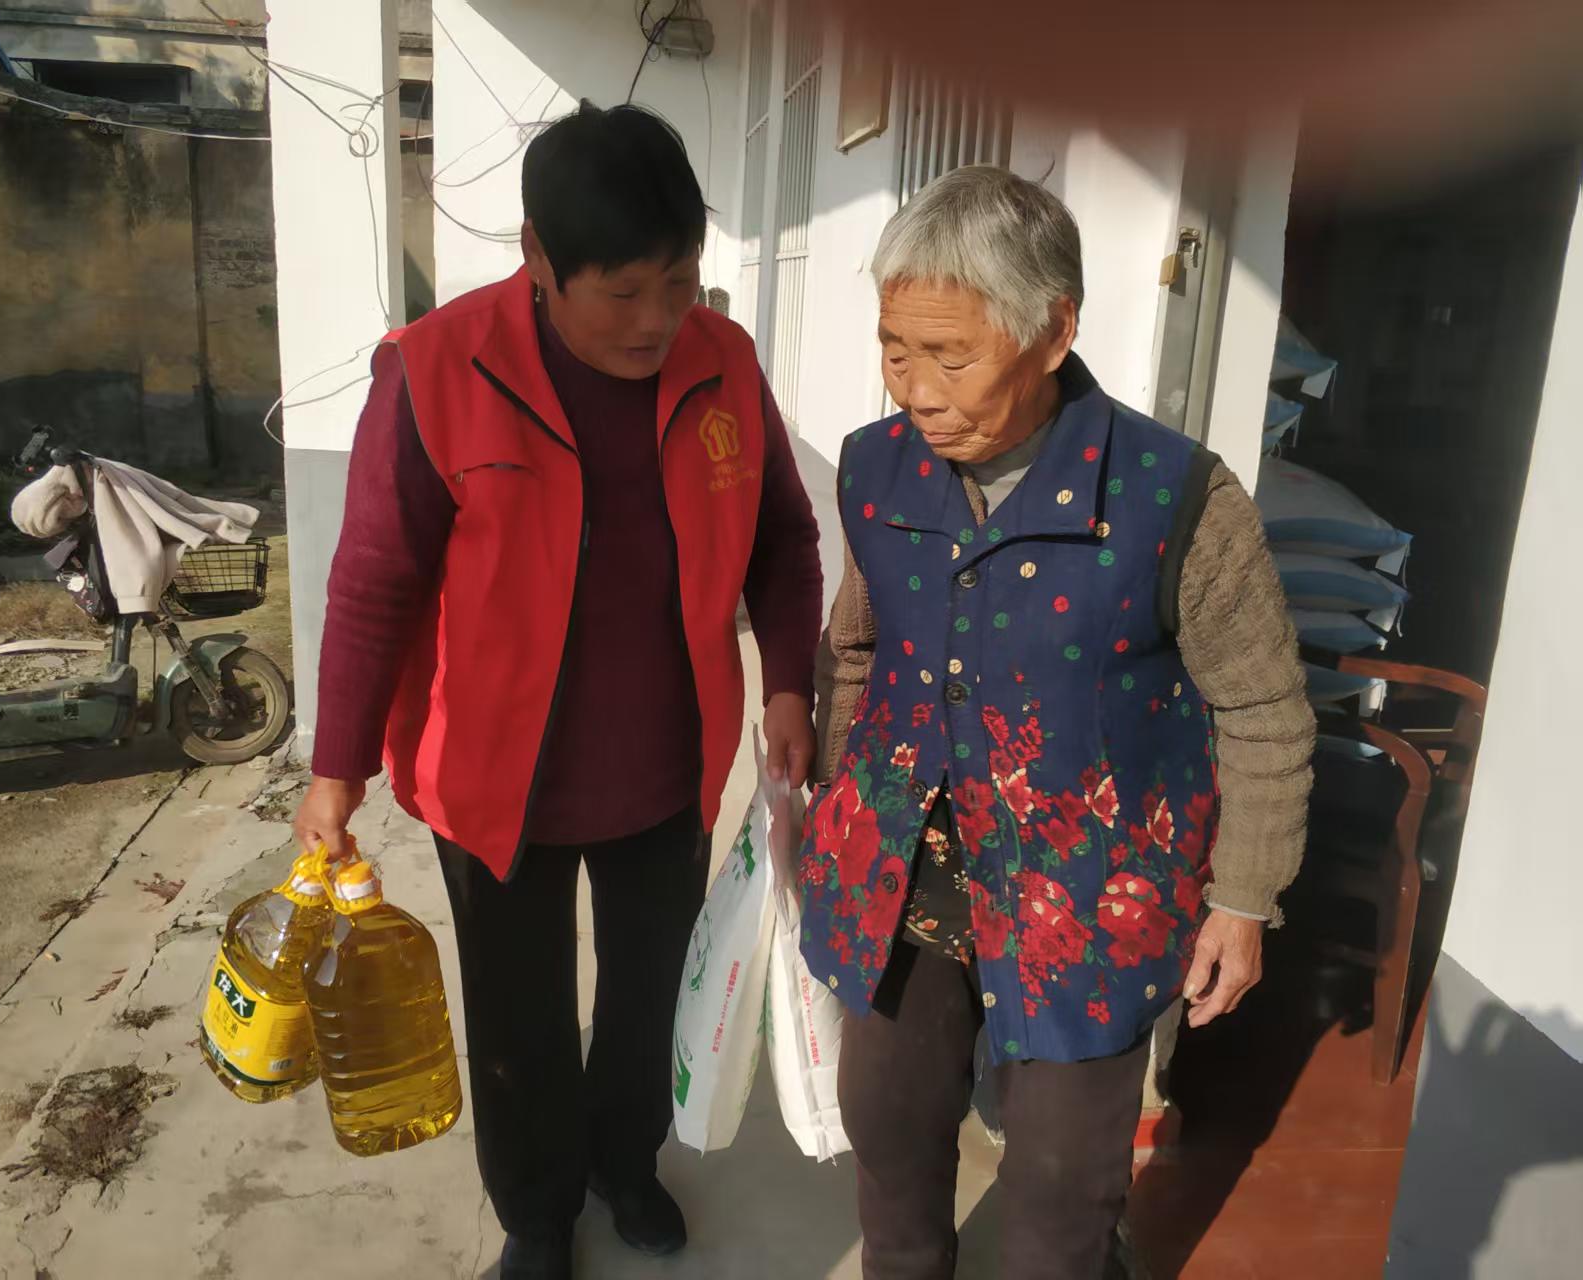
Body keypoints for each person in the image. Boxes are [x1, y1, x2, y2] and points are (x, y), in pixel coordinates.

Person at [293, 103, 823, 1280]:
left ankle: (623, 1162)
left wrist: (787, 681)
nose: (655, 320)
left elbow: (784, 538)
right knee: (517, 1016)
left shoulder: (724, 361)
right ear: (537, 255)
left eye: (677, 282)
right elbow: (373, 579)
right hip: (495, 780)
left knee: (647, 993)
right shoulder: (438, 369)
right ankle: (536, 1209)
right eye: (621, 292)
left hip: (663, 765)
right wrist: (336, 769)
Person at [797, 166, 1316, 1279]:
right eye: (894, 349)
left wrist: (1241, 898)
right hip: (905, 876)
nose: (915, 390)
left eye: (950, 357)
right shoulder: (873, 468)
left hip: (1087, 894)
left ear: (1052, 331)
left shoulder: (1176, 497)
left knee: (1057, 1204)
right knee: (888, 1142)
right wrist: (838, 810)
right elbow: (858, 647)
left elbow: (1262, 710)